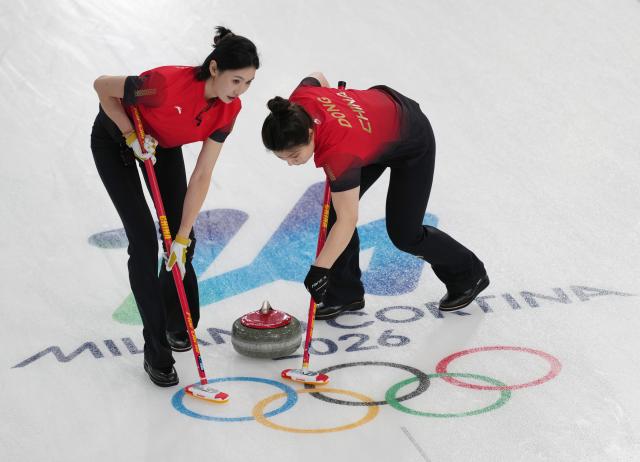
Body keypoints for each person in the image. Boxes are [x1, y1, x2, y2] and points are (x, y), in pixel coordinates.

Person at [91, 27, 259, 387]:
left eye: (247, 83)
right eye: (236, 80)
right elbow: (102, 87)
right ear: (214, 68)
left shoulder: (229, 110)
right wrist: (130, 134)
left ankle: (176, 322)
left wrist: (182, 236)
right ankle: (156, 351)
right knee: (143, 241)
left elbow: (202, 174)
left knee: (182, 239)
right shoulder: (162, 86)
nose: (240, 90)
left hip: (162, 146)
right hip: (116, 139)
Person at [261, 73, 488, 320]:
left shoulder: (339, 152)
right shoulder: (295, 104)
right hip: (371, 132)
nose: (290, 164)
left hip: (411, 137)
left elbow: (348, 221)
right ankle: (345, 293)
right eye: (282, 158)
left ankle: (468, 274)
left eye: (294, 156)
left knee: (404, 234)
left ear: (310, 132)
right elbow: (316, 77)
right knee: (335, 210)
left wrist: (319, 269)